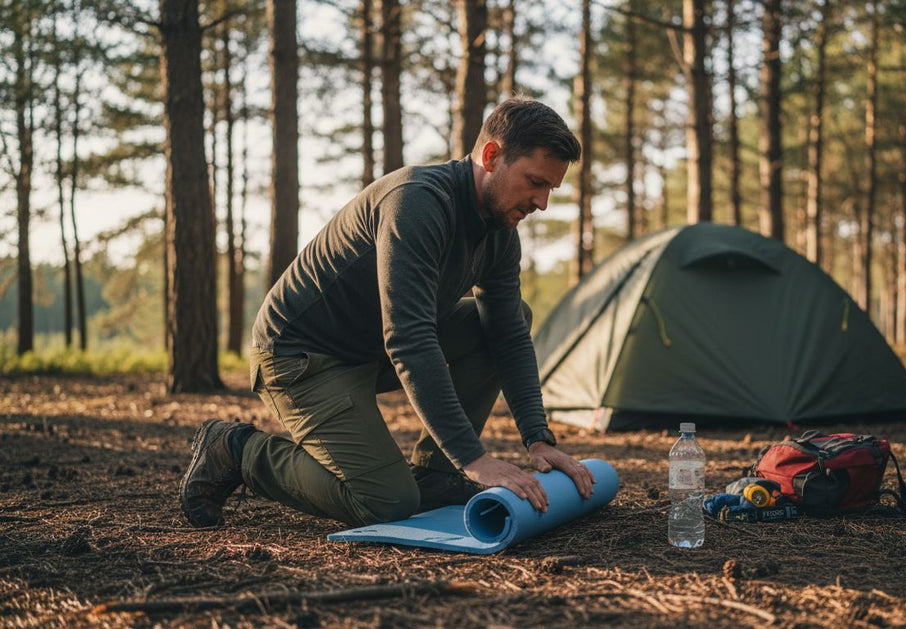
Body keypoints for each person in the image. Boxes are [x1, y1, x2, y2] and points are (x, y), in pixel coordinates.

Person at [179, 97, 596, 528]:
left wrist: (538, 438)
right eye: (534, 182)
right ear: (490, 156)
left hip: (370, 349)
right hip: (301, 358)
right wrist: (474, 458)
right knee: (385, 503)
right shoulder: (416, 202)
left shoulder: (500, 231)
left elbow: (507, 334)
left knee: (506, 318)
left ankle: (437, 475)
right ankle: (235, 448)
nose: (542, 202)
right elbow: (410, 337)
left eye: (550, 189)